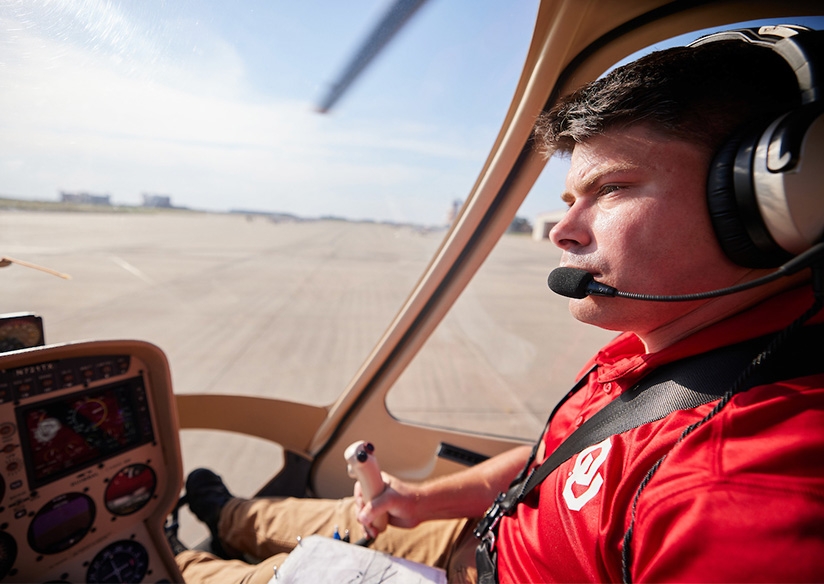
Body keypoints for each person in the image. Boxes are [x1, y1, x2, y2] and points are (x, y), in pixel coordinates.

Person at [174, 27, 824, 584]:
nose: (562, 232)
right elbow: (557, 457)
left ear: (776, 200)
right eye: (569, 199)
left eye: (613, 188)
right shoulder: (666, 339)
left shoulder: (739, 491)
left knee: (187, 574)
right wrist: (422, 500)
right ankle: (232, 514)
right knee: (309, 520)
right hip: (479, 536)